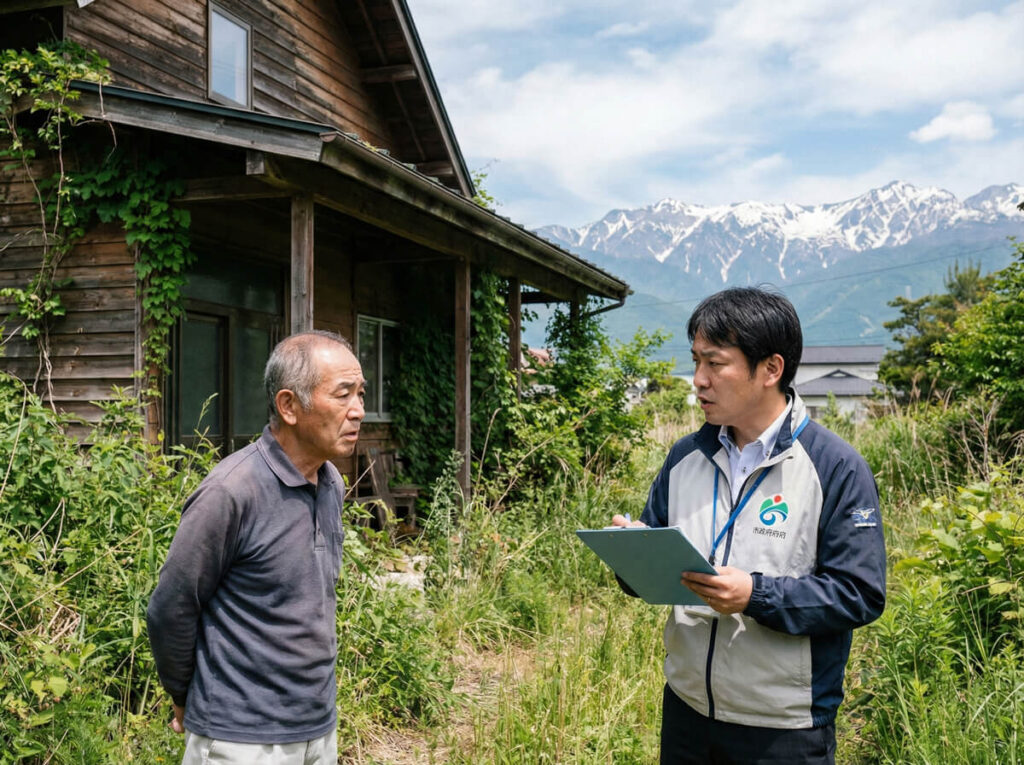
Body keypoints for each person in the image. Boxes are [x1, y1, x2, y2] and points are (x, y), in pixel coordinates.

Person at [610, 287, 886, 765]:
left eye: (715, 364)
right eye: (696, 361)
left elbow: (859, 593)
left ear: (771, 370)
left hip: (784, 730)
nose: (698, 380)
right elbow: (652, 567)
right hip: (687, 711)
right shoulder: (685, 457)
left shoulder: (835, 467)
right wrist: (632, 555)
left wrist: (754, 595)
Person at [147, 330, 365, 764]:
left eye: (361, 394)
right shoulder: (232, 491)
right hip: (240, 740)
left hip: (317, 729)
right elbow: (171, 607)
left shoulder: (330, 483)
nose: (358, 411)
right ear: (289, 406)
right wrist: (182, 694)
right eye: (343, 395)